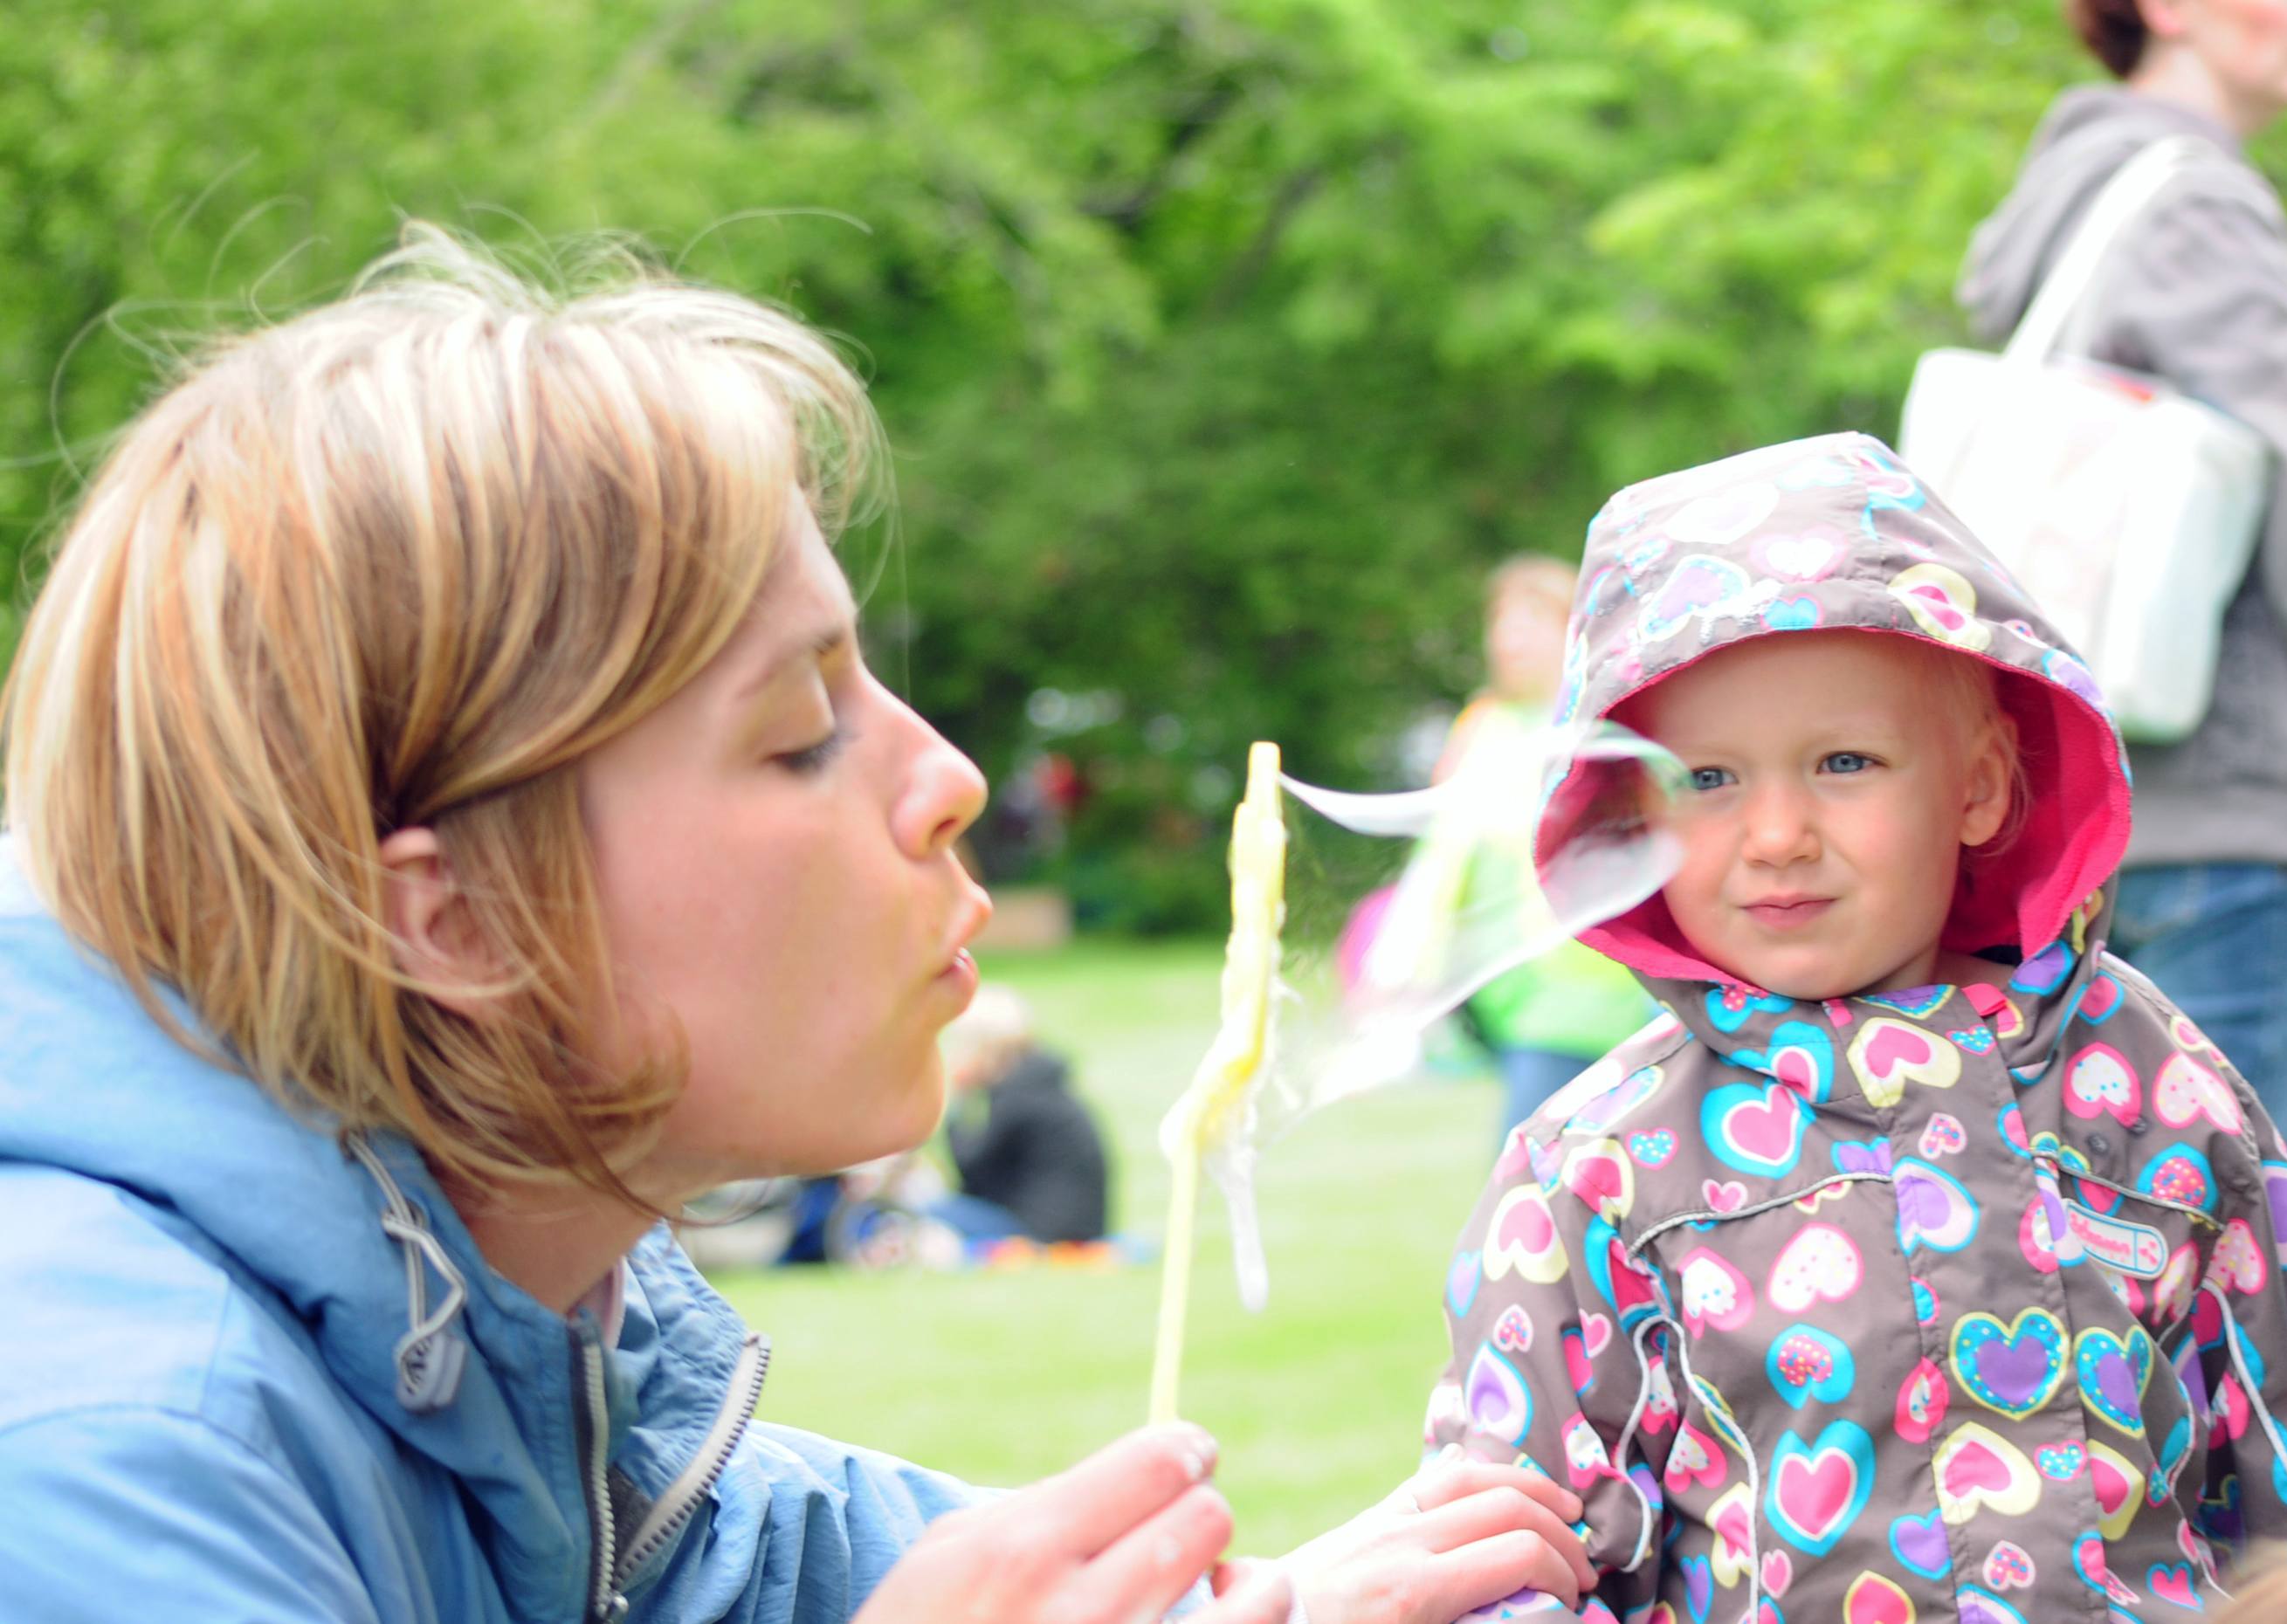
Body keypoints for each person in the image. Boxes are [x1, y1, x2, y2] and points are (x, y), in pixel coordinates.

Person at [0, 229, 1600, 1623]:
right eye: (797, 731)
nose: (951, 779)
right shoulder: (106, 1462)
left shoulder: (552, 1371)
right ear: (461, 917)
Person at [1425, 433, 2287, 1617]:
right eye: (1707, 780)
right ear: (1623, 817)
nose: (1774, 835)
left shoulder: (2149, 1084)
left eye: (1843, 762)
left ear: (1975, 786)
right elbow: (1506, 1554)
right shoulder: (1592, 1172)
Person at [1953, 0, 2287, 1162]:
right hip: (2230, 825)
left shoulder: (2068, 209)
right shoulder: (2191, 208)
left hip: (2079, 818)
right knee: (2208, 1288)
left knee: (2083, 1267)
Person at [1415, 555, 1659, 1145]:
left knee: (1531, 1164)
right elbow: (1440, 856)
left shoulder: (1601, 726)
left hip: (1584, 990)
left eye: (1529, 620)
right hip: (1505, 992)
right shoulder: (1484, 725)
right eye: (1500, 621)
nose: (1508, 638)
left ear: (1573, 632)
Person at [937, 983, 1113, 1245]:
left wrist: (958, 1101)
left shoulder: (1019, 1100)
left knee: (927, 1209)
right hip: (1080, 1226)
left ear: (981, 1050)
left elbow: (971, 1170)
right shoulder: (1041, 1086)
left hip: (1044, 1233)